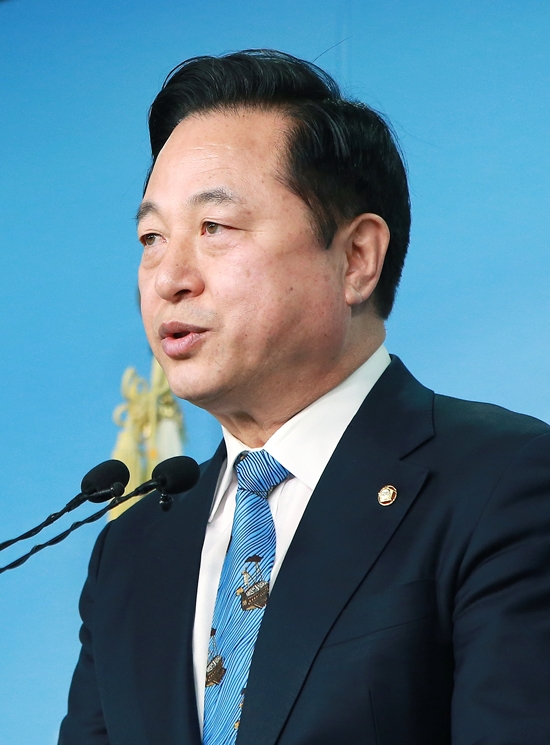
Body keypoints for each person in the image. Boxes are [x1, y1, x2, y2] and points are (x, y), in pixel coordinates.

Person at [58, 50, 550, 745]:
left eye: (214, 228)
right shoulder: (132, 550)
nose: (168, 278)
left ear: (356, 259)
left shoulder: (503, 484)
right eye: (151, 237)